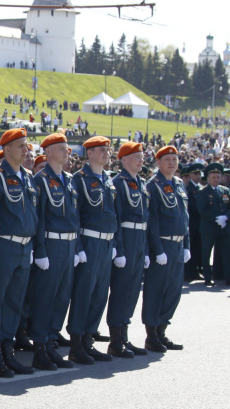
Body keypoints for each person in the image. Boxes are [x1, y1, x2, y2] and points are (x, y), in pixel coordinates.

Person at [0, 128, 38, 377]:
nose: (26, 150)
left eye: (27, 145)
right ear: (7, 149)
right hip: (3, 246)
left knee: (14, 302)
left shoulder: (26, 176)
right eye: (20, 146)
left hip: (24, 246)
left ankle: (7, 350)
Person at [66, 136, 117, 365]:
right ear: (89, 154)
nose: (106, 153)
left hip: (106, 242)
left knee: (99, 294)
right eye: (101, 150)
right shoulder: (79, 179)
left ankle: (88, 339)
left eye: (107, 149)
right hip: (89, 241)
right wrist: (78, 247)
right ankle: (76, 343)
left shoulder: (107, 178)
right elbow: (74, 215)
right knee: (84, 293)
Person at [29, 133, 78, 370]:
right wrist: (40, 250)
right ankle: (39, 347)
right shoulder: (41, 180)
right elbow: (38, 218)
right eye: (60, 148)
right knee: (45, 297)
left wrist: (77, 247)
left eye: (67, 148)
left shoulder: (69, 179)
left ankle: (51, 342)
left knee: (61, 297)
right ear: (47, 153)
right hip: (51, 243)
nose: (66, 152)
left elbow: (75, 216)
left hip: (68, 244)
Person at [104, 142, 150, 358]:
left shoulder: (141, 183)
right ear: (123, 160)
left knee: (132, 291)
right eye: (136, 157)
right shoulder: (118, 184)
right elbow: (117, 219)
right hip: (126, 238)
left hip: (139, 239)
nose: (141, 160)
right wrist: (120, 250)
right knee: (121, 291)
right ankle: (115, 341)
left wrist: (147, 250)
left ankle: (124, 336)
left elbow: (146, 219)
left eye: (142, 157)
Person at [142, 146, 190, 352]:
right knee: (156, 290)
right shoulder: (153, 186)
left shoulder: (179, 184)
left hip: (178, 244)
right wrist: (158, 249)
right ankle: (151, 334)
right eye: (167, 159)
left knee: (173, 292)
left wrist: (187, 245)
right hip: (162, 245)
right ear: (158, 163)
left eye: (174, 159)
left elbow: (185, 218)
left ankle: (162, 331)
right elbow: (152, 221)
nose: (172, 163)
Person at [197, 162, 230, 287]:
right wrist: (216, 219)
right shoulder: (202, 191)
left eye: (218, 177)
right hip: (209, 228)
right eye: (213, 177)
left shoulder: (225, 190)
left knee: (228, 253)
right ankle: (208, 278)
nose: (216, 179)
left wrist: (226, 217)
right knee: (206, 253)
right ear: (208, 178)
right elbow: (202, 210)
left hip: (224, 227)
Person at [184, 164, 204, 281]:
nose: (198, 176)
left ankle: (194, 271)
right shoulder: (187, 188)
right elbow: (189, 205)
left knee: (197, 249)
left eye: (199, 174)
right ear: (190, 175)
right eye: (195, 174)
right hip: (192, 222)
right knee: (190, 248)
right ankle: (188, 272)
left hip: (199, 223)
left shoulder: (201, 188)